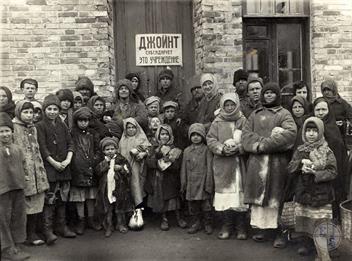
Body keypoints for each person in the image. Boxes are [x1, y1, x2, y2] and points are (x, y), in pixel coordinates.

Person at [242, 82, 297, 247]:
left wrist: (265, 144)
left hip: (277, 164)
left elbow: (290, 135)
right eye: (266, 93)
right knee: (260, 197)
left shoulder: (284, 114)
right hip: (257, 163)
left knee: (276, 197)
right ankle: (263, 229)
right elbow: (245, 137)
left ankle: (280, 232)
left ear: (277, 95)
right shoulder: (255, 115)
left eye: (272, 93)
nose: (269, 96)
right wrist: (259, 145)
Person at [288, 117, 337, 260]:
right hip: (305, 193)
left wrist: (315, 172)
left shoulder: (327, 151)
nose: (311, 134)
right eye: (308, 130)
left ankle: (324, 256)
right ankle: (319, 253)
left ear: (320, 132)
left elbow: (333, 172)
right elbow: (290, 167)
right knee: (309, 224)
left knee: (321, 225)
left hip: (321, 195)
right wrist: (300, 163)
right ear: (304, 132)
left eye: (314, 131)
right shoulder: (300, 150)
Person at [206, 93, 249, 240]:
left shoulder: (243, 120)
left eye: (232, 105)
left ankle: (241, 226)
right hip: (223, 165)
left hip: (238, 164)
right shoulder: (217, 122)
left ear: (237, 105)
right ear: (222, 106)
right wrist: (222, 149)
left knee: (239, 195)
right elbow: (210, 139)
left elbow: (249, 138)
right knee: (225, 197)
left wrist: (240, 148)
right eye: (227, 105)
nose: (230, 108)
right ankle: (227, 224)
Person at [36, 94, 76, 244]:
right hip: (50, 168)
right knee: (50, 199)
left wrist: (67, 160)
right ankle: (47, 230)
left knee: (63, 199)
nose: (52, 112)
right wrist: (54, 163)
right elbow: (43, 148)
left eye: (55, 109)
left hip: (64, 167)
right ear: (44, 110)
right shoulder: (40, 126)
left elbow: (70, 143)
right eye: (49, 109)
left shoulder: (62, 125)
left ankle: (62, 226)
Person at [12, 101, 49, 246]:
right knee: (23, 203)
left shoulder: (33, 128)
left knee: (37, 202)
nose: (28, 115)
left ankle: (33, 232)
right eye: (25, 112)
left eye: (31, 112)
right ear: (18, 113)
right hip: (23, 169)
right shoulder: (14, 128)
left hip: (36, 169)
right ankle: (23, 234)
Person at [312, 97, 349, 220]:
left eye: (324, 109)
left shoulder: (333, 129)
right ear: (313, 111)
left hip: (332, 171)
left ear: (329, 111)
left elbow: (339, 150)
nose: (321, 113)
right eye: (318, 110)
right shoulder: (310, 127)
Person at [0, 112, 30, 261]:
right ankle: (6, 248)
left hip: (17, 187)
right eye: (1, 131)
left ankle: (16, 243)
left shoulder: (17, 149)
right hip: (2, 190)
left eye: (7, 131)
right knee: (3, 218)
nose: (5, 134)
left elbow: (24, 165)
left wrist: (25, 177)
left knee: (18, 216)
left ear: (12, 132)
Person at [145, 124, 187, 231]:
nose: (164, 136)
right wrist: (158, 159)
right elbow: (149, 163)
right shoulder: (153, 149)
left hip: (170, 179)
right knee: (161, 198)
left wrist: (170, 161)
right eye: (162, 134)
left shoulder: (175, 149)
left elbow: (177, 165)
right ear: (158, 136)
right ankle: (164, 219)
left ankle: (178, 218)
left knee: (174, 199)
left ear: (170, 136)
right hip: (158, 179)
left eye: (166, 134)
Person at [69, 107, 101, 235]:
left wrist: (95, 160)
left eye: (86, 120)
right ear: (76, 121)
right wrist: (75, 163)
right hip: (77, 169)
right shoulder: (72, 133)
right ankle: (81, 220)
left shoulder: (93, 134)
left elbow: (99, 149)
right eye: (81, 120)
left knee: (90, 196)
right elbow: (70, 147)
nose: (83, 123)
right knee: (80, 197)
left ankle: (91, 219)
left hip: (91, 168)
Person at [95, 137, 134, 237]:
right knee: (107, 207)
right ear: (103, 151)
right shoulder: (102, 160)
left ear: (116, 149)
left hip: (119, 187)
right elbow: (97, 172)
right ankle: (108, 226)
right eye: (107, 149)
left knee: (119, 205)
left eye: (112, 149)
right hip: (106, 188)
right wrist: (105, 165)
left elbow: (128, 170)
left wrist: (121, 168)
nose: (110, 151)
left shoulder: (120, 159)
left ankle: (120, 224)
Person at [181, 123, 213, 235]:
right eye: (193, 135)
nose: (195, 137)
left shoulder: (207, 150)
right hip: (191, 182)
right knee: (193, 205)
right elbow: (183, 169)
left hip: (203, 181)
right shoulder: (186, 151)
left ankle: (207, 223)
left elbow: (209, 167)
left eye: (198, 135)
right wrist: (183, 183)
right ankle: (196, 223)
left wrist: (208, 183)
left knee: (206, 205)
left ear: (203, 136)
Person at [118, 118, 151, 211]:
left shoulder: (141, 138)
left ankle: (139, 212)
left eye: (133, 127)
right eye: (128, 127)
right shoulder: (122, 140)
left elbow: (148, 149)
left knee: (137, 188)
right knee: (126, 189)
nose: (131, 129)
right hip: (125, 168)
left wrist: (143, 154)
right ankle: (129, 213)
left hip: (137, 167)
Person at [320, 79, 352, 150]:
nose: (326, 92)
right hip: (324, 135)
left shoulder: (343, 104)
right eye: (324, 90)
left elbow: (350, 117)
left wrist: (343, 123)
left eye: (329, 90)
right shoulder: (320, 102)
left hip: (339, 136)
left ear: (334, 90)